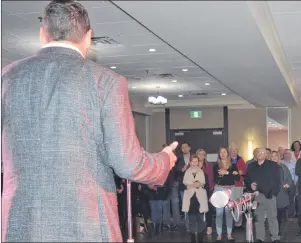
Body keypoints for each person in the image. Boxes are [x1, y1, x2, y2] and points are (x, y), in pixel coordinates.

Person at [1, 1, 178, 242]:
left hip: (18, 227)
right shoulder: (106, 82)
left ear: (43, 34)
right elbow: (128, 163)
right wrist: (164, 162)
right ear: (88, 37)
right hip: (87, 226)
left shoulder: (7, 77)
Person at [244, 147, 281, 242]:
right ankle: (260, 237)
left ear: (266, 154)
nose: (260, 153)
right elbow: (246, 179)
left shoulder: (273, 165)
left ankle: (275, 237)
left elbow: (277, 180)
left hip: (269, 195)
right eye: (258, 152)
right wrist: (250, 184)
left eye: (262, 152)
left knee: (272, 217)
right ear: (255, 154)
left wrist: (273, 194)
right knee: (258, 218)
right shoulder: (251, 166)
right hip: (256, 196)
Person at [213, 147, 240, 242]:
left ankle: (229, 234)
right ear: (219, 154)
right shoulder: (216, 165)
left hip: (230, 190)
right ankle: (219, 234)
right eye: (221, 152)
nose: (223, 154)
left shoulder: (233, 165)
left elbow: (237, 178)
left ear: (228, 154)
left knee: (229, 213)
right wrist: (232, 174)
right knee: (219, 214)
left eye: (224, 152)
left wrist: (227, 172)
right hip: (219, 189)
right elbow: (216, 179)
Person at [181, 155, 208, 243]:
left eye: (196, 161)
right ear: (190, 162)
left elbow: (203, 183)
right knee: (191, 219)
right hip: (190, 199)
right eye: (193, 161)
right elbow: (185, 184)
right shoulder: (187, 172)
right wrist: (193, 185)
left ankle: (200, 239)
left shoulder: (201, 172)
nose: (194, 163)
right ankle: (192, 238)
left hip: (199, 198)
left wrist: (197, 184)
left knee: (200, 219)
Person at [271, 151, 292, 236]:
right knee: (272, 214)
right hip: (272, 194)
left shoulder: (284, 167)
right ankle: (274, 231)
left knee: (279, 215)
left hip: (282, 193)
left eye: (276, 155)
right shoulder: (268, 168)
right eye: (272, 156)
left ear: (279, 157)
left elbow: (289, 178)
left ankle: (277, 229)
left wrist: (288, 184)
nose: (274, 157)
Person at [196, 149, 214, 235]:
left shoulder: (209, 165)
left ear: (205, 156)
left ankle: (209, 226)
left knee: (208, 208)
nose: (201, 156)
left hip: (208, 189)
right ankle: (199, 226)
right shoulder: (192, 165)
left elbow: (212, 177)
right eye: (199, 154)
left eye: (203, 154)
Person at [229, 146, 246, 228]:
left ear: (237, 151)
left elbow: (244, 171)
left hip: (238, 184)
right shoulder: (227, 159)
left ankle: (238, 223)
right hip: (229, 185)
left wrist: (239, 172)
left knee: (238, 203)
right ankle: (230, 223)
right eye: (232, 150)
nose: (233, 151)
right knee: (229, 204)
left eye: (235, 150)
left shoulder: (240, 159)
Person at [282, 149, 298, 219]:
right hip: (282, 183)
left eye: (288, 153)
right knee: (282, 199)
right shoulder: (281, 162)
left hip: (291, 183)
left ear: (291, 155)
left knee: (291, 199)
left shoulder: (294, 163)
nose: (287, 155)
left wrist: (295, 181)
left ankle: (290, 215)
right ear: (283, 155)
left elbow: (296, 173)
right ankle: (283, 216)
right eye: (285, 153)